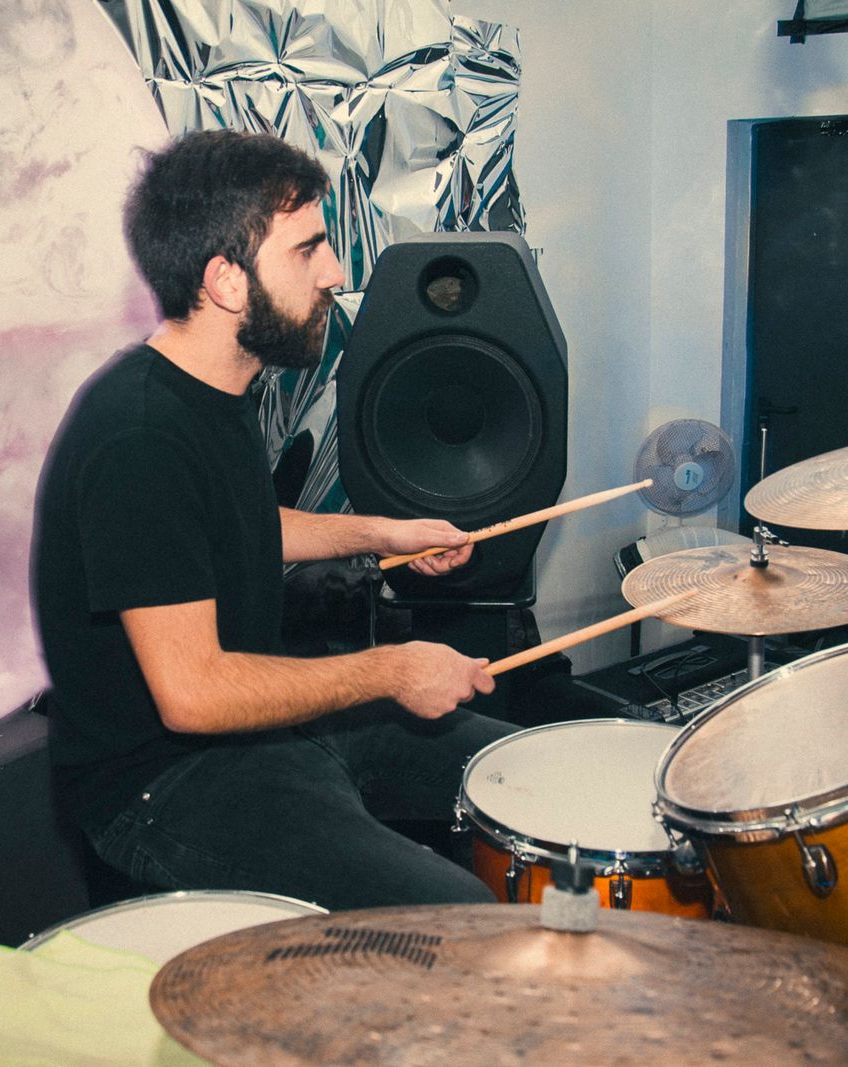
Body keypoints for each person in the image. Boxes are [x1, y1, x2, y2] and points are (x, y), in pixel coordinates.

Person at [31, 130, 518, 911]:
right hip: (162, 782)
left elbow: (242, 523)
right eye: (308, 250)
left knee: (527, 773)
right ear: (226, 280)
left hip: (257, 731)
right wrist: (393, 670)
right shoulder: (139, 437)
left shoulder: (211, 388)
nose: (336, 273)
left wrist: (384, 535)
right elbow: (193, 692)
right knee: (459, 915)